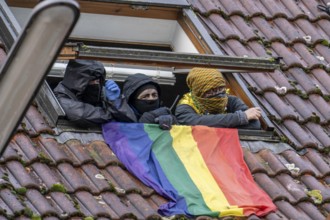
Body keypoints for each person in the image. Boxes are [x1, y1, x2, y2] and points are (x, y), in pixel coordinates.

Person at [175, 67, 261, 129]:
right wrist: (240, 118)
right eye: (211, 91)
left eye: (220, 88)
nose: (218, 94)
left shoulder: (231, 101)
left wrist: (215, 124)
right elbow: (195, 123)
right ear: (199, 92)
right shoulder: (184, 107)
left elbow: (254, 125)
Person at [105, 73, 177, 130]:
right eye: (145, 96)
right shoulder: (120, 120)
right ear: (133, 100)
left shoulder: (166, 115)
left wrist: (173, 123)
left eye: (154, 95)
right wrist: (115, 102)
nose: (151, 99)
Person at [53, 59, 113, 128]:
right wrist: (112, 114)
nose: (96, 83)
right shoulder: (61, 96)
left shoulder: (100, 91)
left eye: (98, 80)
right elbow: (81, 114)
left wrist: (117, 101)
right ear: (78, 80)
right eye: (92, 80)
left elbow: (126, 115)